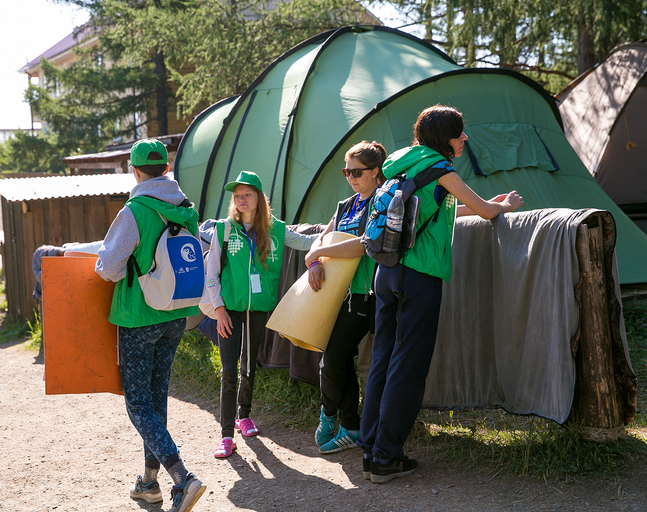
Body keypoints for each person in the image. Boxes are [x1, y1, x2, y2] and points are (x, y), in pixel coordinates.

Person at [357, 104, 524, 484]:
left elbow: (440, 213)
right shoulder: (441, 168)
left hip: (386, 269)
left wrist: (487, 207)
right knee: (409, 364)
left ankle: (370, 451)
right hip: (419, 277)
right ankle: (387, 457)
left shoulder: (400, 164)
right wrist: (504, 205)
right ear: (444, 137)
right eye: (459, 132)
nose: (464, 138)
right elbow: (482, 210)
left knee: (383, 358)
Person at [95, 139, 206, 512]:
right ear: (166, 169)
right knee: (156, 401)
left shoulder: (135, 210)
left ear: (135, 170)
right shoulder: (187, 210)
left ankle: (183, 477)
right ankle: (149, 483)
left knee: (139, 404)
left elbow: (108, 269)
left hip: (138, 318)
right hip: (176, 313)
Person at [204, 170, 318, 459]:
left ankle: (244, 416)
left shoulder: (275, 229)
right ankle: (226, 435)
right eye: (238, 195)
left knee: (249, 366)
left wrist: (335, 235)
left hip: (258, 310)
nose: (242, 200)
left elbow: (306, 243)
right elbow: (211, 274)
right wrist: (219, 310)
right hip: (228, 310)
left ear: (259, 199)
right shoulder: (224, 229)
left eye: (248, 194)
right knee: (229, 371)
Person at [303, 141, 387, 454]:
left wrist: (321, 251)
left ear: (375, 171)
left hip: (367, 296)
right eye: (346, 171)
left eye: (357, 171)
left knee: (333, 361)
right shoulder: (346, 205)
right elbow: (321, 240)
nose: (350, 177)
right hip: (338, 296)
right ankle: (351, 425)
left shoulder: (382, 200)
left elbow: (364, 244)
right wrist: (313, 260)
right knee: (339, 361)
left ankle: (329, 416)